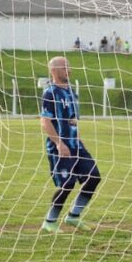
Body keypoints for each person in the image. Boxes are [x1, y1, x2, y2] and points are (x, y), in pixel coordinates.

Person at [39, 56, 101, 232]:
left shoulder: (72, 92)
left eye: (69, 66)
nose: (69, 70)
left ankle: (73, 216)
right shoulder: (50, 93)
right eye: (64, 67)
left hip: (76, 146)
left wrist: (79, 140)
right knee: (67, 184)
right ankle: (49, 221)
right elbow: (45, 122)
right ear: (54, 71)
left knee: (94, 176)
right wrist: (59, 143)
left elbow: (73, 121)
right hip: (59, 147)